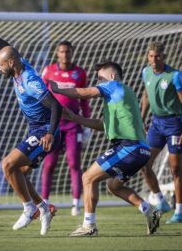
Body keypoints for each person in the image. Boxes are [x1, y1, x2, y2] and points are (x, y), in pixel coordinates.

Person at [0, 16, 62, 235]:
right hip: (36, 129)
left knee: (7, 165)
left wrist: (50, 133)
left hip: (44, 132)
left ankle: (29, 208)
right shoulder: (18, 64)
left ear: (11, 63)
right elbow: (4, 47)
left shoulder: (30, 81)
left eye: (0, 65)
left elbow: (56, 106)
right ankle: (43, 208)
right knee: (19, 172)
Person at [49, 61, 160, 236]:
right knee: (114, 186)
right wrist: (75, 117)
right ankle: (150, 211)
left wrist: (58, 89)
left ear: (113, 77)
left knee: (87, 178)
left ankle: (89, 226)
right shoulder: (120, 96)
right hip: (140, 150)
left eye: (101, 78)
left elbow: (85, 93)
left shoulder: (114, 86)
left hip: (129, 147)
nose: (98, 82)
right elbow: (102, 125)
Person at [41, 41, 91, 216]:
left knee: (73, 162)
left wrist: (86, 125)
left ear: (72, 53)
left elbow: (84, 99)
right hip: (53, 125)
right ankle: (44, 203)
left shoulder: (80, 73)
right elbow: (41, 96)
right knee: (49, 163)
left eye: (68, 52)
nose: (65, 55)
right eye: (62, 52)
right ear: (57, 54)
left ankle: (76, 204)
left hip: (73, 125)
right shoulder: (48, 72)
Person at [141, 41, 182, 223]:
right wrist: (141, 118)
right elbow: (146, 94)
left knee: (175, 169)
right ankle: (160, 200)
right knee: (144, 163)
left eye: (157, 56)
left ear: (163, 57)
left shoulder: (175, 76)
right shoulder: (146, 72)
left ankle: (179, 211)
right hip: (156, 123)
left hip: (174, 123)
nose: (154, 59)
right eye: (151, 56)